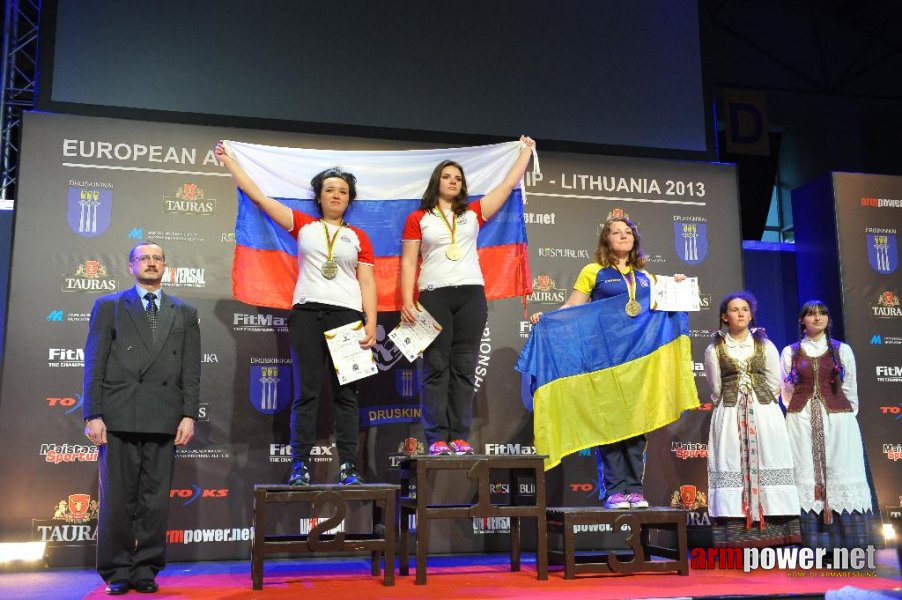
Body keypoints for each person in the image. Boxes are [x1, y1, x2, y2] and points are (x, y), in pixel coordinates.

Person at [216, 142, 376, 487]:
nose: (336, 195)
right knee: (307, 393)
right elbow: (260, 198)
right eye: (329, 190)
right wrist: (229, 161)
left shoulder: (358, 236)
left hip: (348, 318)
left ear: (350, 199)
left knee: (347, 395)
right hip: (306, 315)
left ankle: (349, 465)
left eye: (343, 191)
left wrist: (372, 323)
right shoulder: (303, 225)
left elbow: (368, 282)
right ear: (319, 197)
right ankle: (300, 465)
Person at [530, 216, 683, 509]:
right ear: (606, 239)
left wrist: (676, 286)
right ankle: (614, 490)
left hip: (638, 360)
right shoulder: (593, 271)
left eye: (628, 232)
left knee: (638, 425)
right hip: (604, 359)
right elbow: (573, 306)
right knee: (610, 425)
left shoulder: (646, 277)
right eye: (616, 232)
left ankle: (635, 490)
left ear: (635, 240)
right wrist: (548, 319)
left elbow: (663, 308)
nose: (623, 236)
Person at [400, 136, 535, 456]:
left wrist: (525, 153)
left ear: (463, 186)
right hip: (433, 297)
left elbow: (506, 186)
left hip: (471, 296)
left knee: (463, 367)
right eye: (447, 176)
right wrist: (408, 299)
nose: (453, 181)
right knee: (435, 367)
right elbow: (408, 260)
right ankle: (435, 438)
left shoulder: (472, 214)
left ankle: (458, 436)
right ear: (437, 182)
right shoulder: (418, 218)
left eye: (458, 178)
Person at [83, 241, 201, 595]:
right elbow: (94, 362)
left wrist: (188, 414)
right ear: (131, 266)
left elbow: (191, 370)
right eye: (143, 258)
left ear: (166, 266)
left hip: (164, 416)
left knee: (154, 500)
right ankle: (118, 570)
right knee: (118, 499)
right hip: (118, 415)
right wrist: (93, 413)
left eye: (157, 258)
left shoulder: (184, 310)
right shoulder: (109, 306)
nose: (151, 263)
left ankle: (147, 567)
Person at [704, 291, 800, 547]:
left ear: (751, 313)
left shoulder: (765, 344)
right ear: (725, 316)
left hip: (764, 411)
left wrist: (760, 401)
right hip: (730, 411)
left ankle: (775, 534)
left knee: (769, 457)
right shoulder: (715, 347)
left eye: (745, 309)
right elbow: (715, 387)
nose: (741, 313)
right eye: (735, 309)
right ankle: (734, 536)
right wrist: (733, 401)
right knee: (731, 459)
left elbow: (774, 381)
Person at [780, 300, 874, 550]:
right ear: (802, 320)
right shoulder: (790, 352)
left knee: (840, 469)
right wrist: (804, 409)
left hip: (838, 421)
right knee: (806, 472)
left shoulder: (842, 350)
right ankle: (813, 546)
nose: (817, 318)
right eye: (811, 315)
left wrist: (840, 416)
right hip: (801, 422)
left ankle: (849, 544)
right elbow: (786, 392)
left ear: (828, 319)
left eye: (822, 313)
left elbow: (851, 391)